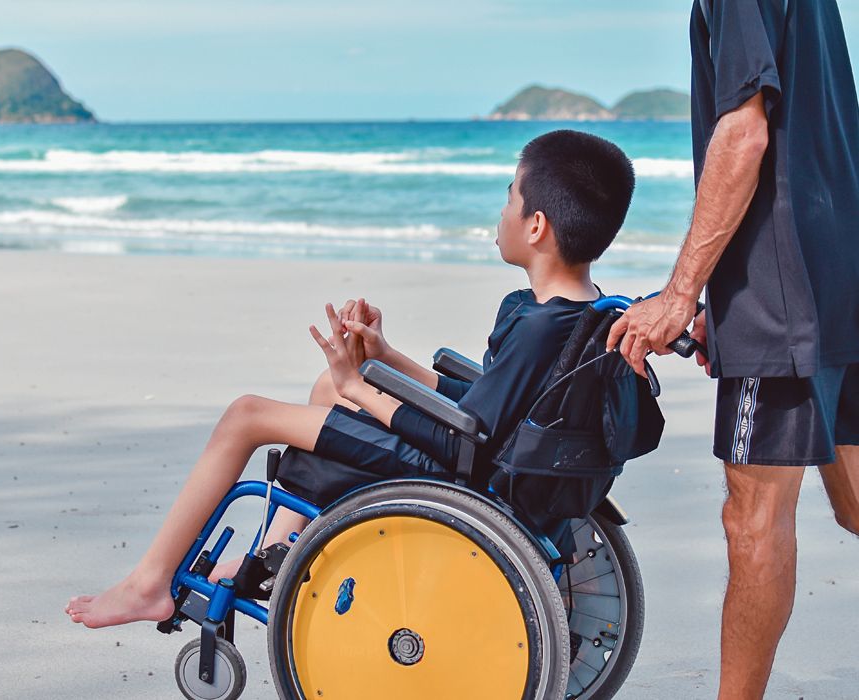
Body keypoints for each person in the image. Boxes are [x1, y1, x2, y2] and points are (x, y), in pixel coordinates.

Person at [65, 129, 635, 629]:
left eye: (509, 197)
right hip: (495, 464)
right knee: (327, 387)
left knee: (248, 414)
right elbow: (488, 406)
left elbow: (466, 436)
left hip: (467, 478)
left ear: (536, 225)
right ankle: (275, 552)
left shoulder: (538, 325)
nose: (501, 211)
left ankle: (150, 584)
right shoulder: (580, 314)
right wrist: (380, 361)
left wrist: (364, 386)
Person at [606, 2, 859, 698]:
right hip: (839, 260)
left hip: (784, 283)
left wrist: (683, 291)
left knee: (753, 515)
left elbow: (744, 134)